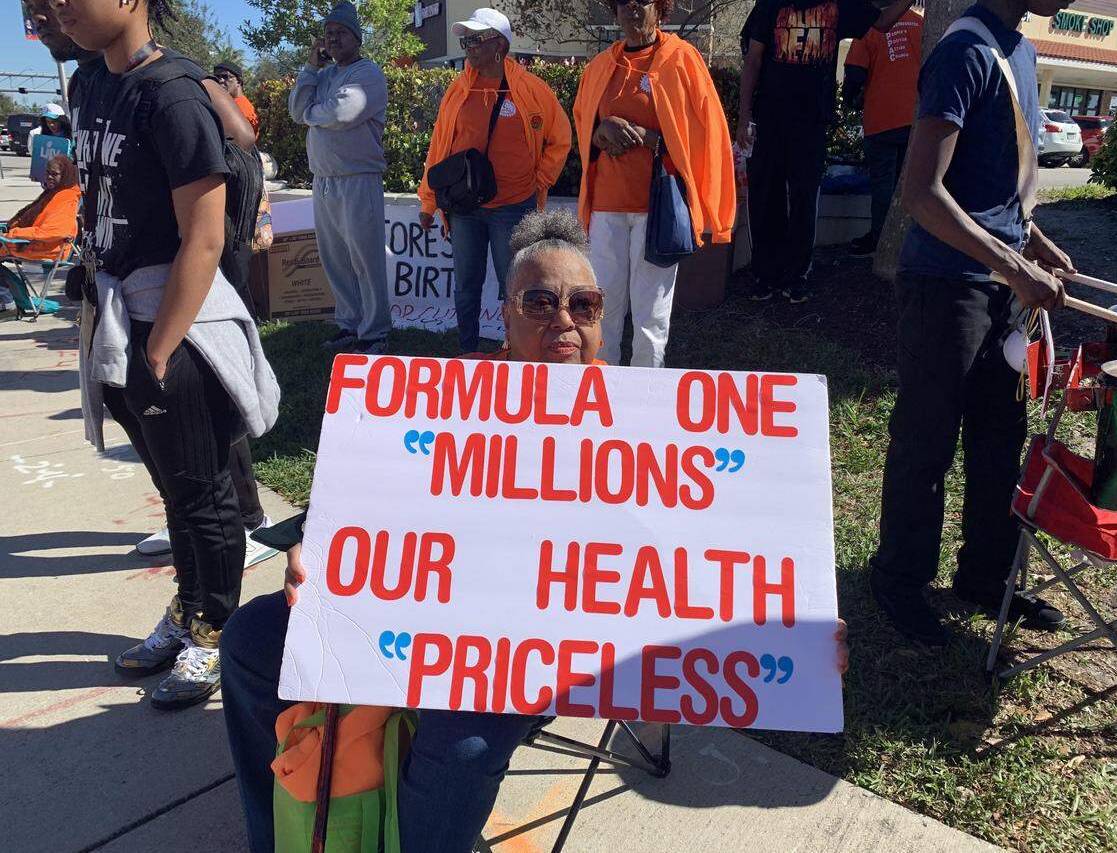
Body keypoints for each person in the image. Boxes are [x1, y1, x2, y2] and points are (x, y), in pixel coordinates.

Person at [221, 208, 853, 852]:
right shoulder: (447, 394)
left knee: (462, 741)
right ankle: (274, 837)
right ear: (505, 312)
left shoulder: (650, 423)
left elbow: (710, 559)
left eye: (585, 302)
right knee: (249, 638)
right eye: (541, 301)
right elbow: (371, 507)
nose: (565, 321)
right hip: (415, 616)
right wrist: (318, 550)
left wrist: (794, 634)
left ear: (604, 318)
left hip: (529, 649)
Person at [59, 0, 280, 708]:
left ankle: (215, 629)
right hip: (118, 315)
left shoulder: (173, 92)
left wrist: (160, 349)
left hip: (170, 322)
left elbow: (206, 238)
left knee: (205, 492)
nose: (55, 4)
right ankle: (187, 611)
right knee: (174, 490)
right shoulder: (92, 83)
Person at [868, 0, 1075, 647]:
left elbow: (987, 182)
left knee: (998, 444)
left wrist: (1029, 236)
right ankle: (899, 579)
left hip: (998, 286)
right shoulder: (963, 50)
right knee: (926, 443)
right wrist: (1013, 263)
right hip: (945, 288)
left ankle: (985, 579)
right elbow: (921, 193)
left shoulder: (1022, 48)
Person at [574, 0, 734, 367]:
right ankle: (601, 394)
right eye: (623, 2)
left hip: (657, 210)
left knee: (650, 318)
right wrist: (602, 132)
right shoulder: (600, 66)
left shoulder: (682, 59)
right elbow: (583, 125)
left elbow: (704, 132)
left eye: (642, 1)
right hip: (606, 208)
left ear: (661, 9)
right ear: (613, 12)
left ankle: (644, 401)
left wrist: (649, 137)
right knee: (601, 310)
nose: (632, 10)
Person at [737, 0, 918, 303]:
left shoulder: (840, 4)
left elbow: (883, 22)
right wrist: (744, 118)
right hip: (769, 119)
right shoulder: (770, 4)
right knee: (765, 196)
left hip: (811, 122)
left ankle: (797, 277)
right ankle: (765, 274)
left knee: (804, 199)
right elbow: (753, 60)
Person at [418, 8, 571, 354]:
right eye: (465, 40)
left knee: (514, 286)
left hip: (514, 209)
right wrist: (429, 202)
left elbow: (561, 137)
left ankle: (514, 350)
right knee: (466, 286)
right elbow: (439, 147)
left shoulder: (532, 90)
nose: (468, 46)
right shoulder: (458, 91)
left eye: (476, 38)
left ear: (499, 44)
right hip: (465, 210)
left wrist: (541, 180)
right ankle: (467, 352)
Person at [288, 1, 391, 356]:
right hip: (325, 180)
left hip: (358, 178)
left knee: (365, 259)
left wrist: (312, 113)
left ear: (356, 38)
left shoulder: (368, 73)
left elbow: (343, 112)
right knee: (335, 260)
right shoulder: (325, 74)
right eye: (328, 33)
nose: (332, 39)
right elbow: (296, 109)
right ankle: (349, 324)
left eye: (340, 32)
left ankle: (375, 331)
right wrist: (309, 69)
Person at [842, 6, 923, 258]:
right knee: (909, 186)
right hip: (915, 121)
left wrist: (850, 100)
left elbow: (855, 73)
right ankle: (906, 243)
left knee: (882, 186)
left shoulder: (870, 24)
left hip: (882, 120)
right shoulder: (921, 25)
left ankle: (879, 240)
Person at [1, 154, 81, 262]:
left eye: (54, 174)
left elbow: (55, 231)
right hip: (28, 244)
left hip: (45, 250)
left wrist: (13, 234)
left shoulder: (68, 198)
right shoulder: (53, 192)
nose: (49, 177)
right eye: (47, 172)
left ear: (66, 175)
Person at [213, 60, 259, 137]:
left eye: (225, 77)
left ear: (239, 82)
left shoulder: (244, 109)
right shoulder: (226, 103)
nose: (220, 80)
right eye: (217, 77)